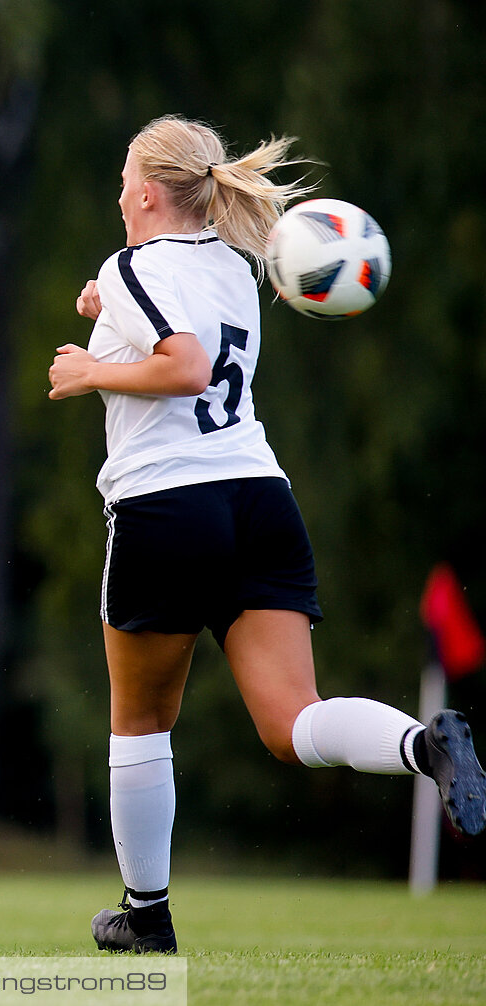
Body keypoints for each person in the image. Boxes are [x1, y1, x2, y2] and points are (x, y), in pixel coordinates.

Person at [48, 114, 484, 955]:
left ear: (144, 192)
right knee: (293, 722)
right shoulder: (237, 268)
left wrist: (87, 369)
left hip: (167, 509)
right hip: (259, 501)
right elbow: (181, 339)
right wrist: (108, 315)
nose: (115, 196)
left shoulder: (133, 261)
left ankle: (147, 914)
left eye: (121, 182)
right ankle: (421, 744)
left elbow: (182, 367)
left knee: (139, 721)